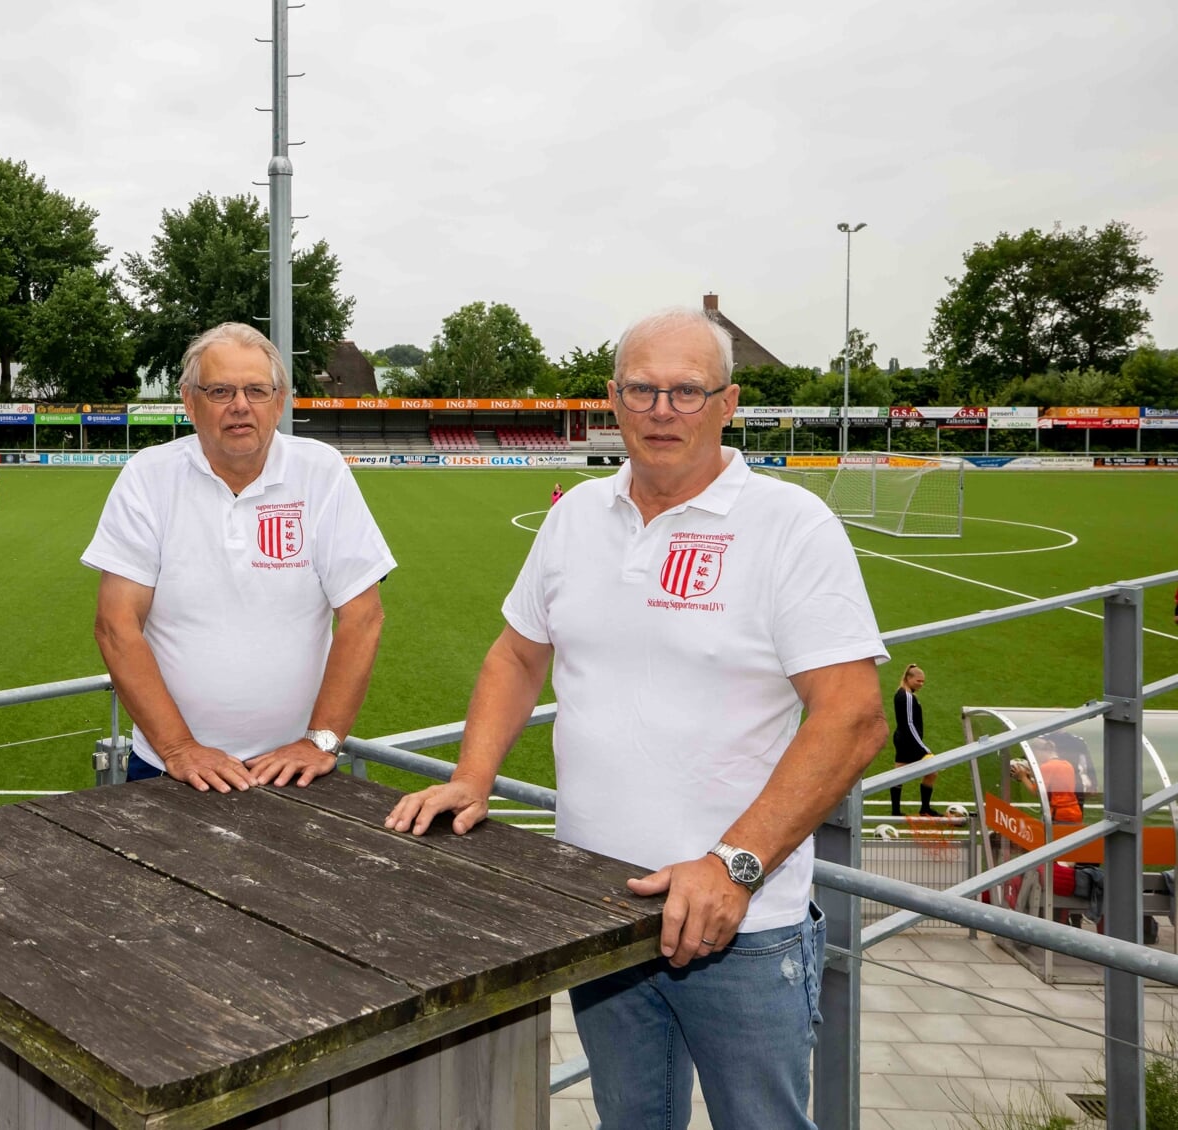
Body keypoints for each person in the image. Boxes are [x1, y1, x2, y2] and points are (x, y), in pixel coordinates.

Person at [385, 307, 888, 1129]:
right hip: (601, 906)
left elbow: (854, 717)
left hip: (742, 923)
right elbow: (516, 656)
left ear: (728, 404)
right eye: (643, 390)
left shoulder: (790, 526)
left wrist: (735, 865)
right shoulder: (575, 515)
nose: (663, 410)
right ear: (613, 401)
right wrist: (472, 778)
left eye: (687, 392)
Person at [83, 322, 394, 792]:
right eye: (220, 390)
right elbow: (115, 624)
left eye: (256, 390)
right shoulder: (148, 476)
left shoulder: (321, 472)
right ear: (190, 402)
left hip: (294, 768)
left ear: (280, 399)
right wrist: (178, 748)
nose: (240, 405)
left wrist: (320, 742)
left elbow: (363, 616)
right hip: (169, 767)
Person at [890, 663, 939, 818]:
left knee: (899, 774)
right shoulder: (908, 697)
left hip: (902, 739)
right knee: (932, 771)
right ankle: (925, 809)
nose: (921, 684)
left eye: (923, 681)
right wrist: (923, 748)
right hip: (909, 741)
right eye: (918, 681)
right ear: (909, 678)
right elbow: (910, 724)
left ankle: (895, 811)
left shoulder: (901, 693)